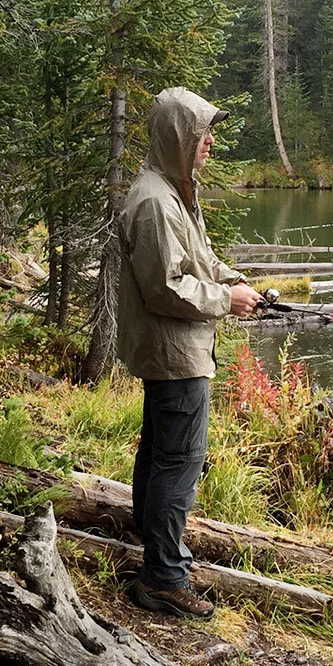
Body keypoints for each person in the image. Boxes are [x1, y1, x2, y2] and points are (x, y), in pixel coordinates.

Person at [117, 86, 261, 619]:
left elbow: (198, 262)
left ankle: (157, 557)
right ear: (179, 137)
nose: (209, 144)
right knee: (179, 464)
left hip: (177, 352)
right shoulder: (156, 201)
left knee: (161, 458)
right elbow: (166, 288)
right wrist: (227, 299)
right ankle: (162, 578)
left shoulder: (173, 191)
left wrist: (236, 281)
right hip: (176, 355)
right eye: (202, 134)